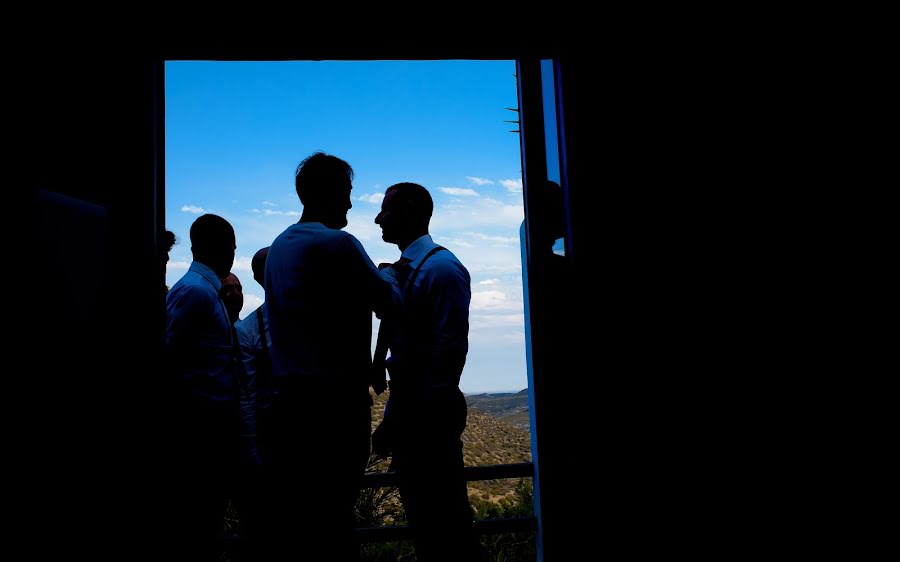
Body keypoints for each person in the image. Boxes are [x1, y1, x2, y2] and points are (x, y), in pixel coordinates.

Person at [262, 152, 396, 560]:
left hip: (287, 409)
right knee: (337, 520)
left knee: (302, 524)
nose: (351, 205)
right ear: (331, 193)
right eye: (348, 193)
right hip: (334, 409)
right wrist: (389, 271)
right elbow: (388, 301)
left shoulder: (279, 248)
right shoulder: (338, 243)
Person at [372, 182, 483, 561]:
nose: (377, 218)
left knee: (444, 528)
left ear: (407, 209)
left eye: (385, 210)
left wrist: (402, 420)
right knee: (429, 527)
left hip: (427, 420)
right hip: (415, 416)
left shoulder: (442, 271)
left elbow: (448, 357)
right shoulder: (413, 269)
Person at [165, 213, 240, 561]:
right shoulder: (196, 293)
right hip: (199, 435)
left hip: (206, 433)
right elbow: (173, 361)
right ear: (226, 247)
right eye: (233, 246)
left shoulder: (204, 291)